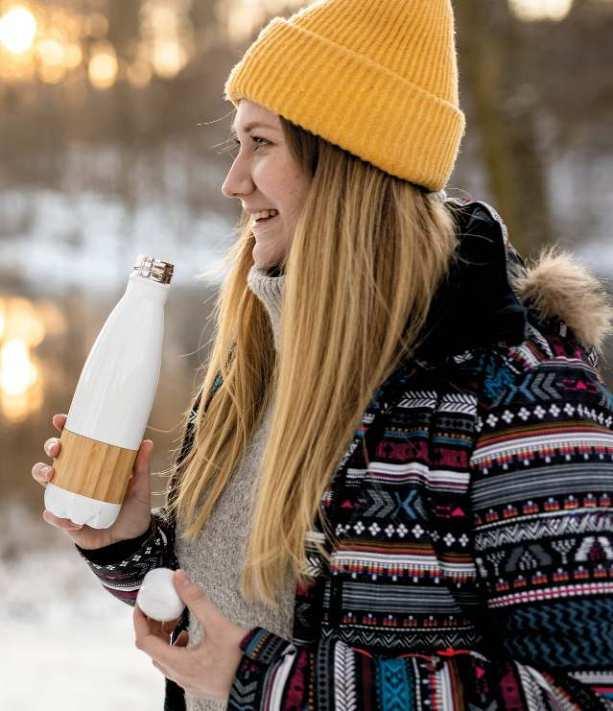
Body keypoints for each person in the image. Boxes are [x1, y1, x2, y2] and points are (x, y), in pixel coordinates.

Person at [32, 0, 613, 709]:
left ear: (346, 161)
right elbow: (237, 613)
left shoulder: (518, 394)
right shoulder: (256, 358)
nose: (232, 180)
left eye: (261, 143)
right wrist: (129, 548)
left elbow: (584, 693)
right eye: (237, 143)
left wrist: (269, 682)